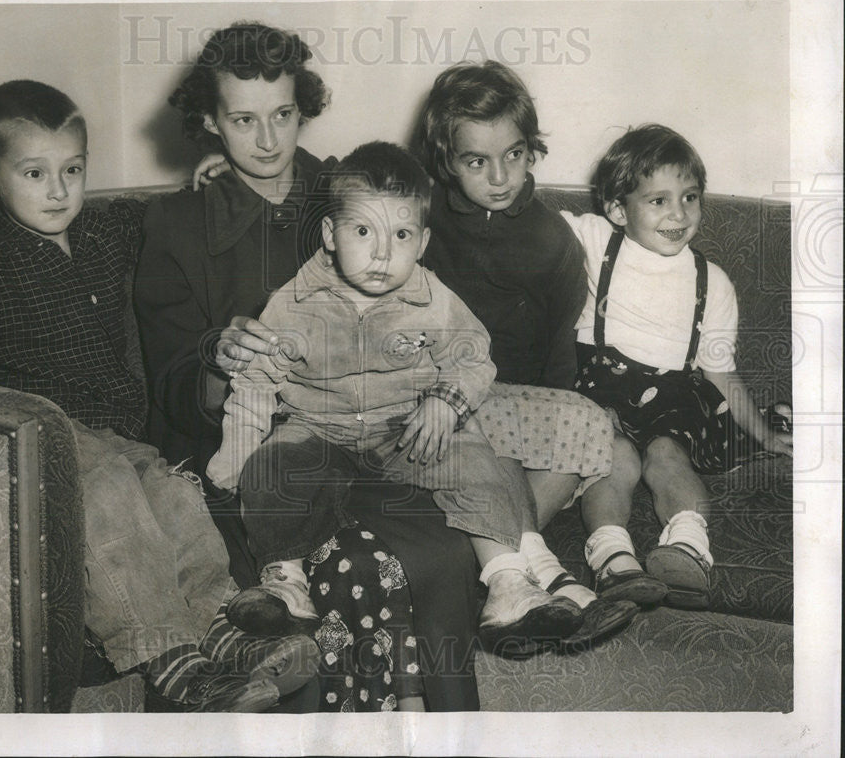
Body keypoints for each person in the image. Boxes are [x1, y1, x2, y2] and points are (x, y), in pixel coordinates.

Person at [0, 79, 320, 713]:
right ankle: (166, 655)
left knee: (170, 487)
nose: (58, 190)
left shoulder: (100, 230)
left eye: (73, 170)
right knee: (113, 489)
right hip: (48, 438)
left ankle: (221, 621)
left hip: (119, 432)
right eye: (34, 173)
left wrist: (220, 171)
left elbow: (167, 215)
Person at [134, 23, 481, 712]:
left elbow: (424, 303)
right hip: (249, 459)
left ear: (304, 107)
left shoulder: (345, 191)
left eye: (283, 115)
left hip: (371, 437)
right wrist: (217, 357)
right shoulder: (176, 224)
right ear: (209, 120)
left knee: (446, 554)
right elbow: (166, 384)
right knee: (335, 579)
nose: (268, 141)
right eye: (243, 120)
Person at [206, 141, 590, 659]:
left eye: (402, 234)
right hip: (318, 425)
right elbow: (255, 381)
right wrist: (238, 452)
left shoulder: (432, 298)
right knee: (274, 465)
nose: (383, 253)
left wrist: (447, 401)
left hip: (405, 424)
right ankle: (284, 581)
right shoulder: (294, 303)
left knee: (480, 462)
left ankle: (508, 585)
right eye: (363, 231)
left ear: (423, 241)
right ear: (330, 234)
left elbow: (474, 356)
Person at [418, 61, 665, 611]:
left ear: (532, 150)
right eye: (476, 161)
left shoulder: (552, 239)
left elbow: (559, 358)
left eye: (514, 155)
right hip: (441, 401)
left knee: (589, 434)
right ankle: (539, 568)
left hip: (520, 404)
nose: (500, 178)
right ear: (445, 160)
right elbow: (342, 199)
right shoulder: (420, 213)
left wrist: (555, 428)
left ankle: (482, 564)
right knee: (482, 444)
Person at [561, 123, 793, 608]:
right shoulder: (595, 240)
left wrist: (765, 435)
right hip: (601, 390)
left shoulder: (712, 281)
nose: (678, 214)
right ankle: (612, 558)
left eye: (690, 197)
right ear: (618, 210)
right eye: (658, 200)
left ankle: (688, 547)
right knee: (614, 458)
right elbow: (522, 226)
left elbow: (720, 372)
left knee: (668, 455)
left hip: (675, 397)